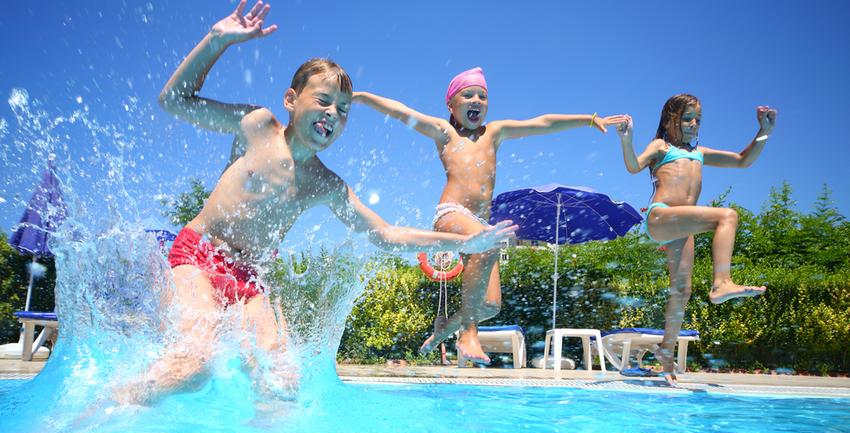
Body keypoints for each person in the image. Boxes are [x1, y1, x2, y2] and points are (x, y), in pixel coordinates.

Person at [114, 2, 516, 404]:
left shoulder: (326, 184)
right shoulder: (257, 126)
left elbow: (387, 235)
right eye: (323, 101)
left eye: (342, 110)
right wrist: (217, 41)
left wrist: (464, 243)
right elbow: (174, 100)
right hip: (199, 256)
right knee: (193, 366)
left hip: (251, 280)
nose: (332, 114)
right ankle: (100, 413)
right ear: (291, 99)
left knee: (281, 383)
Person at [353, 67, 627, 364]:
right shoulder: (445, 133)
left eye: (482, 96)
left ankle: (447, 326)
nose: (476, 100)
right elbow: (401, 111)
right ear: (451, 105)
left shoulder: (494, 133)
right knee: (485, 244)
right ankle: (467, 332)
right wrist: (363, 97)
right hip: (452, 213)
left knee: (490, 305)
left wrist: (588, 120)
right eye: (468, 94)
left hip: (480, 224)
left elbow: (542, 123)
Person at [616, 93, 777, 385]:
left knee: (682, 291)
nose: (693, 124)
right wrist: (627, 139)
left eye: (698, 119)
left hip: (681, 228)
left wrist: (763, 133)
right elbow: (632, 165)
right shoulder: (660, 146)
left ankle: (666, 350)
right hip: (662, 215)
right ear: (670, 120)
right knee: (727, 216)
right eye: (687, 117)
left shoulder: (700, 152)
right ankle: (722, 283)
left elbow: (742, 161)